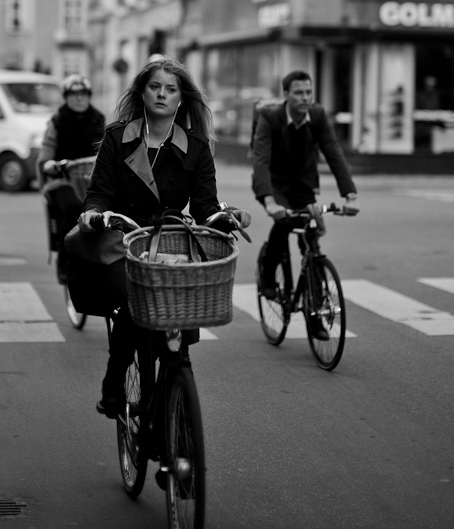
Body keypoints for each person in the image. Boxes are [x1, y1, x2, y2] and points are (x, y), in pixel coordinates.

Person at [77, 55, 251, 418]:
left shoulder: (197, 145)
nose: (162, 94)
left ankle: (175, 398)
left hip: (172, 239)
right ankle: (114, 385)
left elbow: (204, 205)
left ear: (181, 99)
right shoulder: (117, 137)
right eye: (155, 86)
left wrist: (226, 218)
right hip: (124, 236)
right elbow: (99, 193)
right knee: (134, 302)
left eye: (170, 89)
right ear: (142, 92)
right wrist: (95, 214)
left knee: (179, 311)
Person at [251, 70, 358, 332]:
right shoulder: (270, 117)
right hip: (274, 184)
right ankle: (267, 273)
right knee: (285, 222)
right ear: (286, 95)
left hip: (303, 184)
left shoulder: (318, 116)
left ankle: (316, 313)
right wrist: (269, 201)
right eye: (298, 93)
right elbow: (261, 159)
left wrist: (350, 194)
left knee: (311, 239)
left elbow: (333, 152)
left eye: (308, 92)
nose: (305, 97)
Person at [38, 74, 106, 282]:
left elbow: (109, 149)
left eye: (83, 94)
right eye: (74, 94)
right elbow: (45, 155)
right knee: (73, 207)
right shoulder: (57, 122)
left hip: (91, 179)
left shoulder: (99, 119)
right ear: (66, 97)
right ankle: (63, 260)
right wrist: (50, 165)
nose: (79, 98)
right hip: (63, 179)